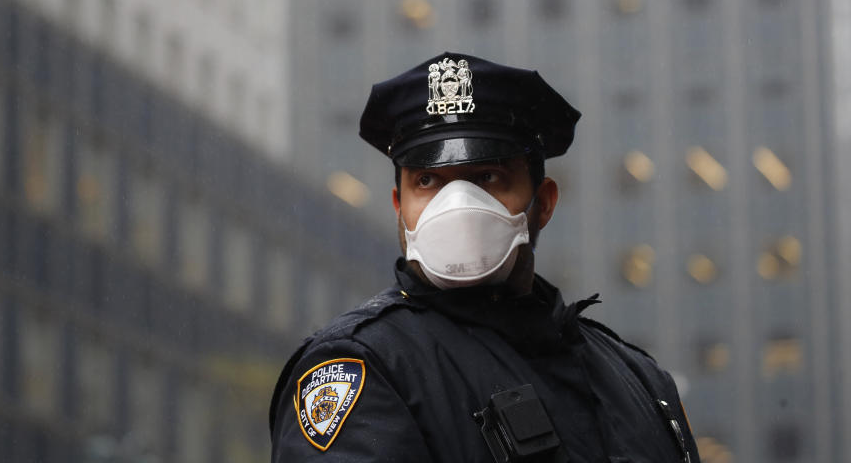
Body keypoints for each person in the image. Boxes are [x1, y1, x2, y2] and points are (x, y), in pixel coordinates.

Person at [270, 52, 699, 463]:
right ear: (400, 207)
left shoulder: (638, 380)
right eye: (428, 180)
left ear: (543, 203)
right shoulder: (365, 368)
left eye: (487, 176)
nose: (457, 204)